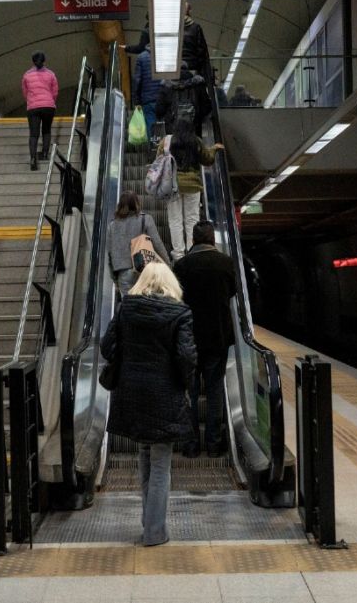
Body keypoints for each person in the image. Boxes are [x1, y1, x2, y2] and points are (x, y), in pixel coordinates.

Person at [102, 262, 196, 546]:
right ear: (170, 283)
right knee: (160, 463)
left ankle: (149, 523)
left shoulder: (125, 310)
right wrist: (187, 385)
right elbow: (187, 358)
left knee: (144, 455)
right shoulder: (180, 313)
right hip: (164, 394)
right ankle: (155, 531)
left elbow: (108, 348)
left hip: (131, 392)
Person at [173, 221, 236, 457]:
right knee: (214, 390)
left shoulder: (182, 265)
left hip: (189, 338)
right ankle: (213, 444)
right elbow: (232, 291)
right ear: (212, 240)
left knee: (189, 391)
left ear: (193, 240)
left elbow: (176, 297)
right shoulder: (226, 263)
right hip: (218, 337)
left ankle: (190, 445)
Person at [161, 118, 222, 260]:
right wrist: (214, 149)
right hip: (192, 185)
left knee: (175, 220)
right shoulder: (196, 141)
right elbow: (207, 159)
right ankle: (191, 250)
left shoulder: (167, 141)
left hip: (172, 185)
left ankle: (178, 254)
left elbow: (159, 159)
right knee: (192, 219)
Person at [107, 191, 170, 298]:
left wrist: (114, 278)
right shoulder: (145, 219)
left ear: (120, 205)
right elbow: (157, 243)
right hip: (145, 270)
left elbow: (109, 254)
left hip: (124, 274)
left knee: (131, 310)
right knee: (149, 306)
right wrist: (167, 263)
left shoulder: (112, 226)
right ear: (136, 203)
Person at [22, 50, 59, 171]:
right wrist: (49, 101)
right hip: (48, 106)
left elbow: (25, 92)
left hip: (33, 107)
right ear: (44, 61)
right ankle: (44, 154)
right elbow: (55, 92)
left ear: (32, 61)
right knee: (46, 130)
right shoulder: (51, 74)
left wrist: (32, 101)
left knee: (33, 134)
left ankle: (33, 159)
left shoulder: (27, 75)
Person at [132, 46, 161, 138]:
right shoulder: (163, 56)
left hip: (148, 99)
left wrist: (136, 101)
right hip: (163, 98)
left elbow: (137, 80)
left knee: (151, 126)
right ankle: (165, 148)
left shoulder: (141, 57)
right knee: (165, 126)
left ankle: (153, 148)